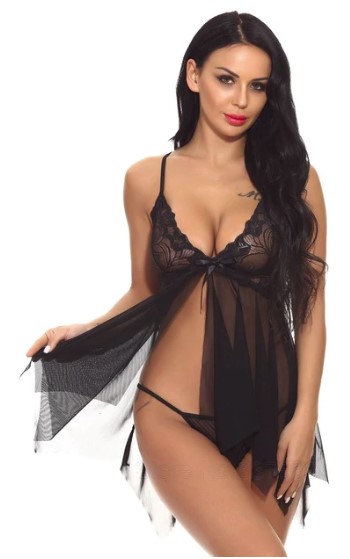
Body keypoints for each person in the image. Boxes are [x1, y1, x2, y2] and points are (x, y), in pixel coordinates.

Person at [20, 10, 329, 557]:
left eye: (258, 86)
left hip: (272, 409)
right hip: (172, 409)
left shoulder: (295, 182)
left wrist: (305, 417)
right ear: (193, 75)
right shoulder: (147, 179)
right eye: (226, 79)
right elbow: (145, 291)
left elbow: (311, 309)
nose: (241, 100)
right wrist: (87, 330)